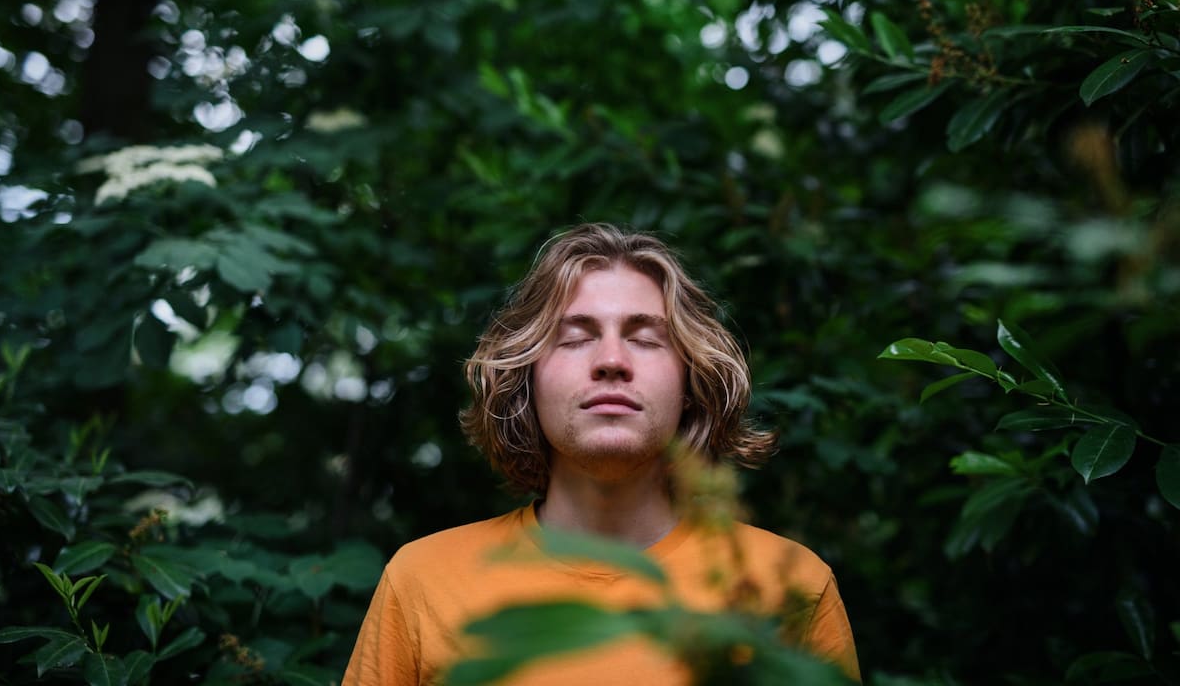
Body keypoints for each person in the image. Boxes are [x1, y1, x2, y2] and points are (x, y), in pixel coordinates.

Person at [343, 223, 859, 684]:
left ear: (689, 382)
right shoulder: (422, 581)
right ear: (527, 380)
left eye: (646, 339)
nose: (611, 361)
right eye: (574, 339)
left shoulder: (789, 587)